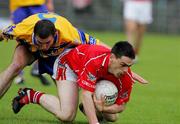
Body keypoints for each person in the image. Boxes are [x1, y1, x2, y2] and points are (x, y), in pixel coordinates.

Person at [12, 41, 148, 123]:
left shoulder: (125, 76)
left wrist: (103, 108)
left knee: (112, 118)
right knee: (67, 116)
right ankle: (29, 95)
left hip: (89, 72)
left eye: (129, 66)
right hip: (69, 65)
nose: (126, 70)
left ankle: (88, 108)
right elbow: (86, 94)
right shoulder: (95, 61)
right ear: (112, 58)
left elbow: (121, 106)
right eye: (123, 64)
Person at [0, 12, 107, 99]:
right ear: (33, 34)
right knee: (15, 66)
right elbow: (2, 34)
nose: (44, 47)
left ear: (55, 34)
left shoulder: (68, 32)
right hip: (29, 49)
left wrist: (115, 54)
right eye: (40, 42)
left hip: (55, 57)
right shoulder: (22, 29)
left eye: (47, 42)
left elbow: (97, 43)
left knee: (67, 102)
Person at [9, 0, 54, 85]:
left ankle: (37, 68)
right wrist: (12, 10)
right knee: (19, 37)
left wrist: (49, 4)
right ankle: (19, 73)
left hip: (38, 5)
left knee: (43, 35)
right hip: (19, 6)